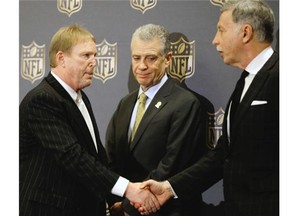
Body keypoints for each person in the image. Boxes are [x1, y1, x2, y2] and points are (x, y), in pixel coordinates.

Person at [140, 0, 279, 216]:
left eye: (221, 30)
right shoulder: (245, 81)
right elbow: (224, 155)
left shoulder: (279, 77)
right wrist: (170, 188)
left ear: (245, 33)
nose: (215, 40)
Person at [19, 24, 160, 216]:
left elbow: (96, 157)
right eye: (86, 56)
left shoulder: (80, 97)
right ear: (61, 58)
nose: (94, 62)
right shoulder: (42, 99)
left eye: (94, 55)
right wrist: (128, 189)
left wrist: (115, 201)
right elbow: (73, 156)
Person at [105, 23, 208, 216]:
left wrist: (129, 207)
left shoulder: (185, 103)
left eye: (150, 58)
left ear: (167, 59)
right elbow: (111, 159)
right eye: (136, 58)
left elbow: (172, 164)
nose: (142, 66)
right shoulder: (125, 104)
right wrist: (116, 202)